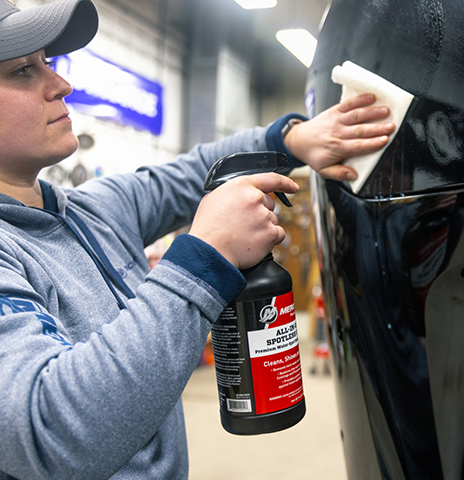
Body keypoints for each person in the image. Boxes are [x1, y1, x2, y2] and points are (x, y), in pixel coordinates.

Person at [0, 0, 396, 478]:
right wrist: (203, 258)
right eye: (23, 70)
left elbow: (191, 171)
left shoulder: (94, 209)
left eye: (48, 62)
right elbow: (49, 434)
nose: (61, 83)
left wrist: (292, 141)